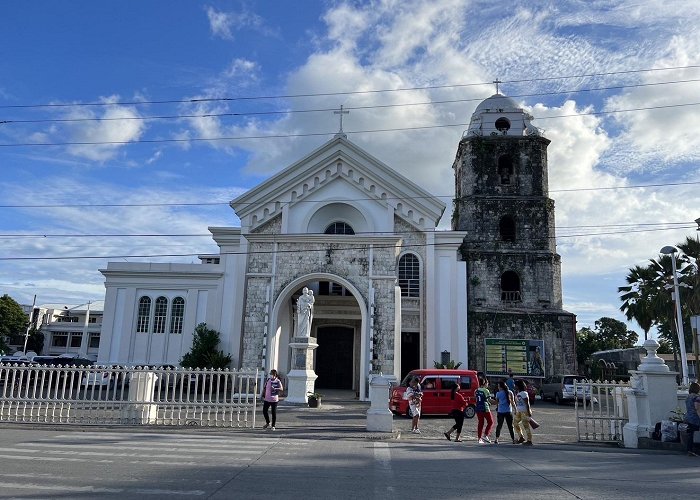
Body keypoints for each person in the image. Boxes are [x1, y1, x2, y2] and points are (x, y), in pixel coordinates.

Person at [514, 379, 533, 445]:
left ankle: (529, 440)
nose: (514, 386)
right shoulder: (518, 393)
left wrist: (529, 411)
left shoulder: (524, 393)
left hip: (524, 412)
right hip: (519, 411)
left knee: (526, 426)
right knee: (515, 423)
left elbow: (527, 403)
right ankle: (521, 437)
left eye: (515, 385)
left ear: (518, 386)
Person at [475, 376, 494, 444]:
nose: (488, 384)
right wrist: (498, 401)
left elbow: (478, 399)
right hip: (485, 408)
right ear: (485, 383)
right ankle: (485, 435)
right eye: (487, 382)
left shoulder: (476, 390)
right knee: (490, 422)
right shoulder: (486, 390)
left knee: (480, 423)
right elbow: (489, 400)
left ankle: (479, 438)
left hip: (478, 408)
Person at [684, 382, 700, 456]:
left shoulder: (688, 397)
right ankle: (695, 450)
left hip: (688, 417)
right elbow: (697, 408)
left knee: (691, 434)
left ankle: (689, 450)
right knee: (696, 434)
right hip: (695, 418)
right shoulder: (697, 397)